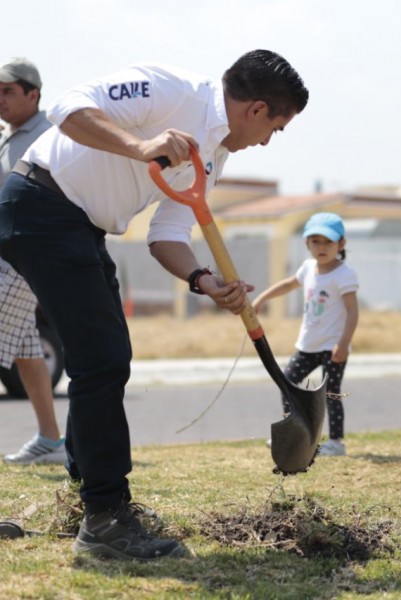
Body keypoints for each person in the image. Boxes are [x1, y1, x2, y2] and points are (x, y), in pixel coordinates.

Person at [0, 50, 309, 560]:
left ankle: (93, 500)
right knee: (101, 359)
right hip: (40, 203)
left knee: (105, 358)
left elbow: (167, 233)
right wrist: (140, 145)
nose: (268, 141)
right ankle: (104, 519)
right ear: (256, 109)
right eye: (276, 128)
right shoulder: (173, 90)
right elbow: (68, 108)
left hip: (80, 227)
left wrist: (204, 279)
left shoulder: (214, 155)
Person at [0, 57, 65, 466]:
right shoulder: (9, 140)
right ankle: (51, 440)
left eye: (8, 91)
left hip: (26, 259)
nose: (0, 99)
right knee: (26, 349)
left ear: (33, 94)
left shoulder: (50, 136)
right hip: (8, 257)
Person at [253, 212, 359, 457]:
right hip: (308, 346)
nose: (321, 247)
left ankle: (336, 442)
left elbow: (353, 313)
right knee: (287, 383)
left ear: (341, 244)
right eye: (316, 241)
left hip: (332, 347)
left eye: (328, 242)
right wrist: (261, 299)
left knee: (331, 393)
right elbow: (290, 284)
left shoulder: (344, 275)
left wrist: (343, 344)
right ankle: (294, 431)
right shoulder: (308, 268)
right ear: (307, 244)